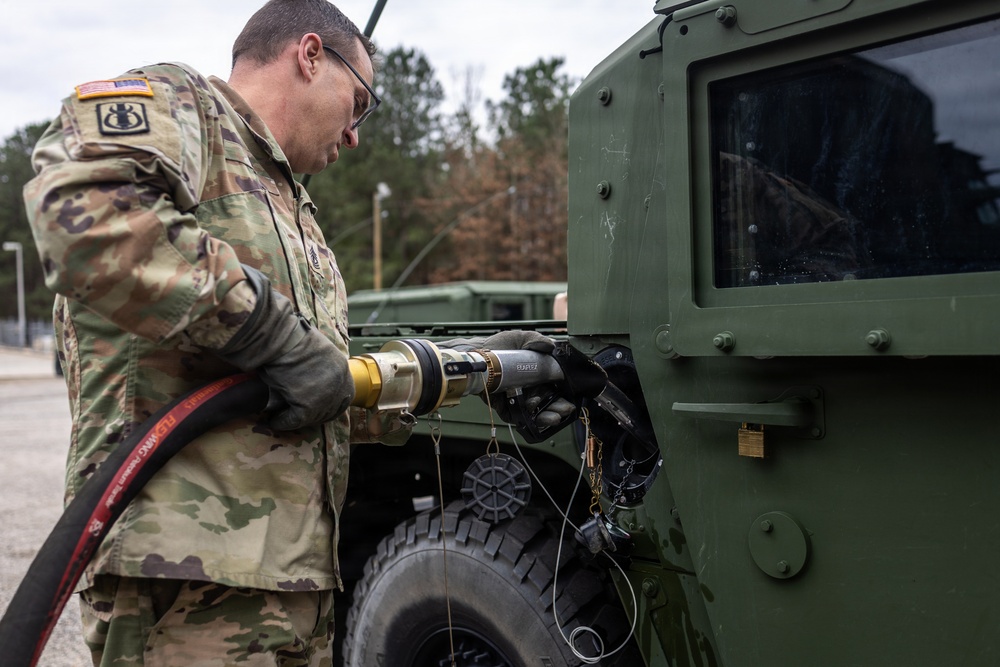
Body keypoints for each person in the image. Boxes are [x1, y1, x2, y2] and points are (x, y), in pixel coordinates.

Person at [23, 1, 389, 663]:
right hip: (184, 585)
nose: (356, 134)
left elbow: (301, 390)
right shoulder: (187, 107)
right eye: (359, 102)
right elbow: (82, 208)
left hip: (294, 587)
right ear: (309, 56)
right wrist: (274, 334)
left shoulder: (290, 208)